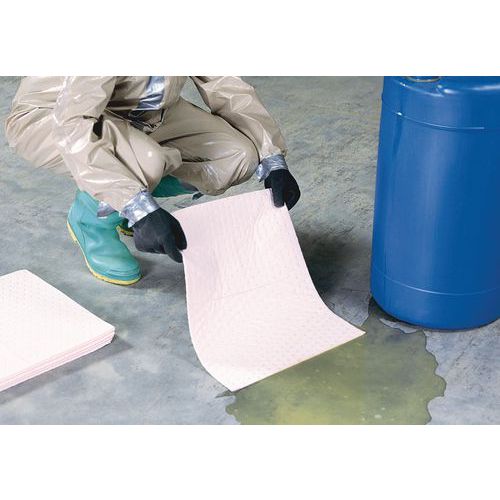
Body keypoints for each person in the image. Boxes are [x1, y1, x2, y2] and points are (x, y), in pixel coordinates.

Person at [5, 76, 301, 285]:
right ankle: (91, 220)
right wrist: (140, 209)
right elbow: (73, 125)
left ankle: (126, 195)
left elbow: (225, 84)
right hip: (53, 117)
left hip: (143, 111)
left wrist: (272, 159)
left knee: (238, 156)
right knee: (149, 161)